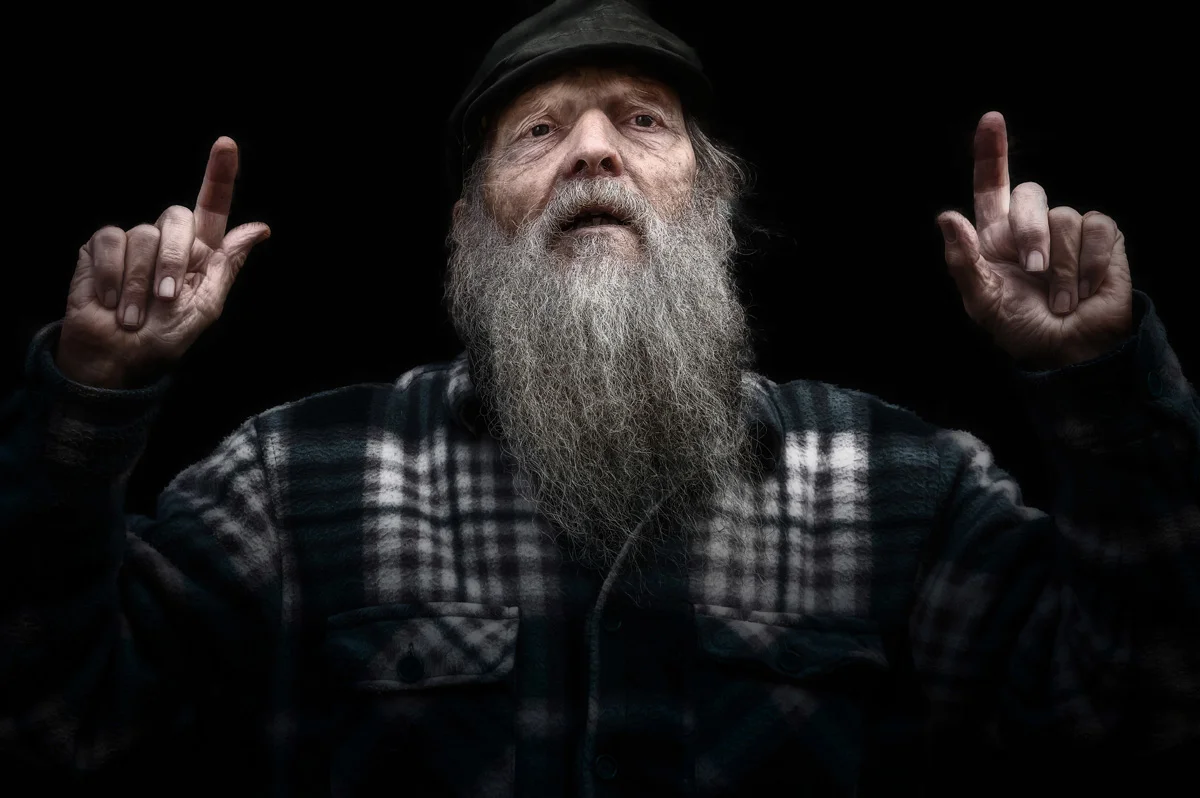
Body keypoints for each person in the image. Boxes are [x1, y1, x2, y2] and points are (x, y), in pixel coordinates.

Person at [1, 1, 1196, 796]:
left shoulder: (899, 484)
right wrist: (92, 402)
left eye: (639, 122)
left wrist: (1090, 387)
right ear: (471, 231)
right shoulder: (291, 477)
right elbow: (61, 724)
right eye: (535, 131)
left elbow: (1124, 720)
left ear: (708, 202)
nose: (590, 152)